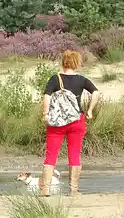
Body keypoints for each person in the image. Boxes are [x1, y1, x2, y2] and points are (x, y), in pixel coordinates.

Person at [39, 50, 100, 196]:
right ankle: (73, 190)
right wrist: (90, 110)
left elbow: (46, 98)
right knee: (74, 153)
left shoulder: (55, 79)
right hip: (76, 120)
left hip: (57, 122)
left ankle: (45, 189)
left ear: (63, 63)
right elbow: (96, 93)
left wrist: (45, 114)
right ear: (77, 63)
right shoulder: (82, 80)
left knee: (51, 154)